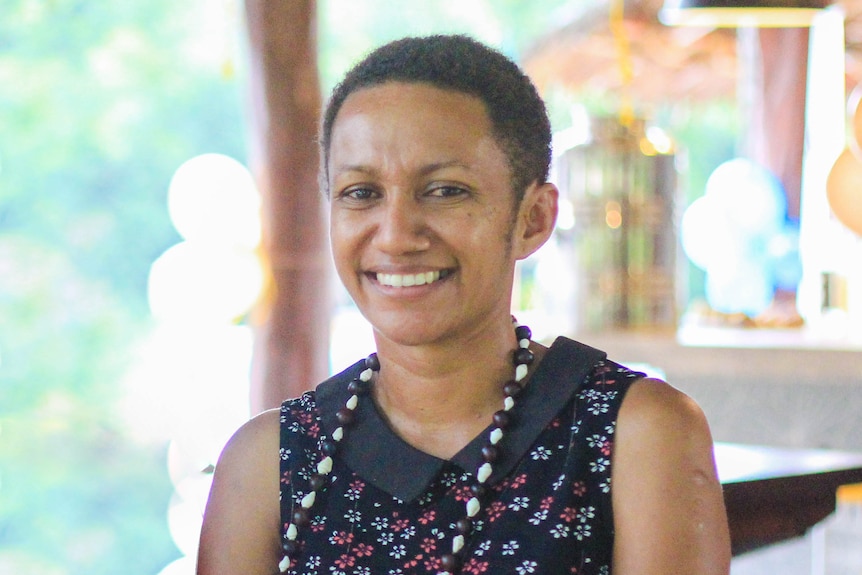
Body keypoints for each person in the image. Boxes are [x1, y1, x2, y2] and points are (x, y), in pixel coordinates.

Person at [197, 34, 731, 575]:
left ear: (534, 219)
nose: (397, 235)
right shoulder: (266, 464)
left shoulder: (636, 435)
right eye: (361, 193)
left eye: (445, 190)